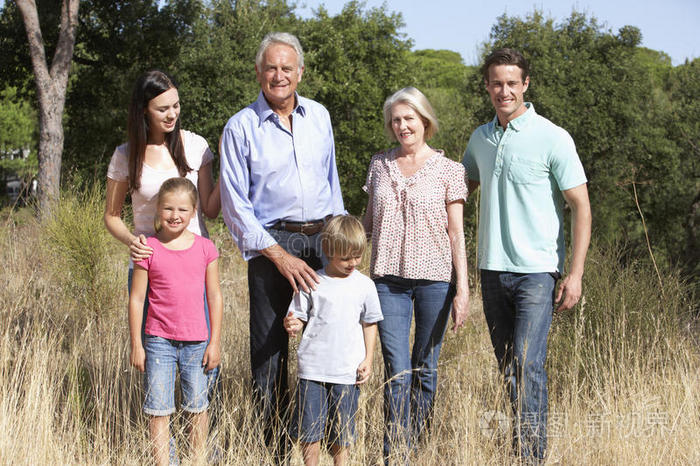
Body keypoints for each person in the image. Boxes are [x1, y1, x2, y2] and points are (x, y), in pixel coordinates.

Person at [219, 32, 345, 460]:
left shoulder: (320, 117)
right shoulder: (240, 127)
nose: (279, 75)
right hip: (271, 244)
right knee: (270, 352)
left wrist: (338, 245)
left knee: (327, 348)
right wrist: (279, 254)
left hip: (323, 240)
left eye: (287, 68)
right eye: (270, 67)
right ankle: (271, 451)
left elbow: (333, 185)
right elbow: (235, 206)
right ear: (258, 72)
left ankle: (327, 447)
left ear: (300, 72)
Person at [462, 48, 592, 461]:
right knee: (508, 368)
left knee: (526, 363)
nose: (504, 91)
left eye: (512, 83)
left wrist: (575, 273)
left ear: (526, 85)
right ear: (487, 86)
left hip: (537, 272)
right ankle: (520, 447)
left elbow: (581, 206)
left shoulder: (553, 136)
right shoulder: (479, 139)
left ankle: (531, 456)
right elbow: (459, 191)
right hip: (491, 269)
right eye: (497, 83)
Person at [103, 70, 222, 462]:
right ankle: (164, 458)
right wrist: (134, 243)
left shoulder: (195, 146)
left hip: (195, 268)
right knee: (157, 369)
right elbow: (112, 216)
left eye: (176, 106)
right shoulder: (126, 155)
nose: (172, 115)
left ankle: (198, 455)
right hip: (151, 268)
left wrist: (236, 166)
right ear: (143, 110)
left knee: (201, 369)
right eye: (162, 108)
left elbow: (208, 208)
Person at [363, 86, 469, 463]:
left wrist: (463, 290)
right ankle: (397, 454)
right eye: (396, 120)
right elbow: (369, 222)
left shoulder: (449, 170)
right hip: (387, 279)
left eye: (409, 118)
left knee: (425, 366)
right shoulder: (379, 165)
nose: (402, 126)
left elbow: (456, 232)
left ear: (425, 121)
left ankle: (419, 445)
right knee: (397, 367)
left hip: (435, 280)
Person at [128, 177, 223, 466]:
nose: (175, 215)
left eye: (182, 209)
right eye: (168, 208)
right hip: (158, 342)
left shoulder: (206, 248)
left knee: (198, 407)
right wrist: (137, 345)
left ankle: (197, 460)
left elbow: (215, 297)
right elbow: (136, 299)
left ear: (194, 211)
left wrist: (214, 342)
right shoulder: (149, 249)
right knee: (158, 409)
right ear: (158, 209)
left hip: (197, 342)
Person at [283, 215, 382, 466]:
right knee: (310, 430)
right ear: (327, 250)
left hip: (346, 372)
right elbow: (297, 316)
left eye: (357, 256)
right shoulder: (312, 281)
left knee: (342, 432)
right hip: (313, 370)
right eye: (345, 257)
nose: (352, 263)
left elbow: (370, 323)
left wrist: (368, 358)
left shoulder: (365, 286)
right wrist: (292, 323)